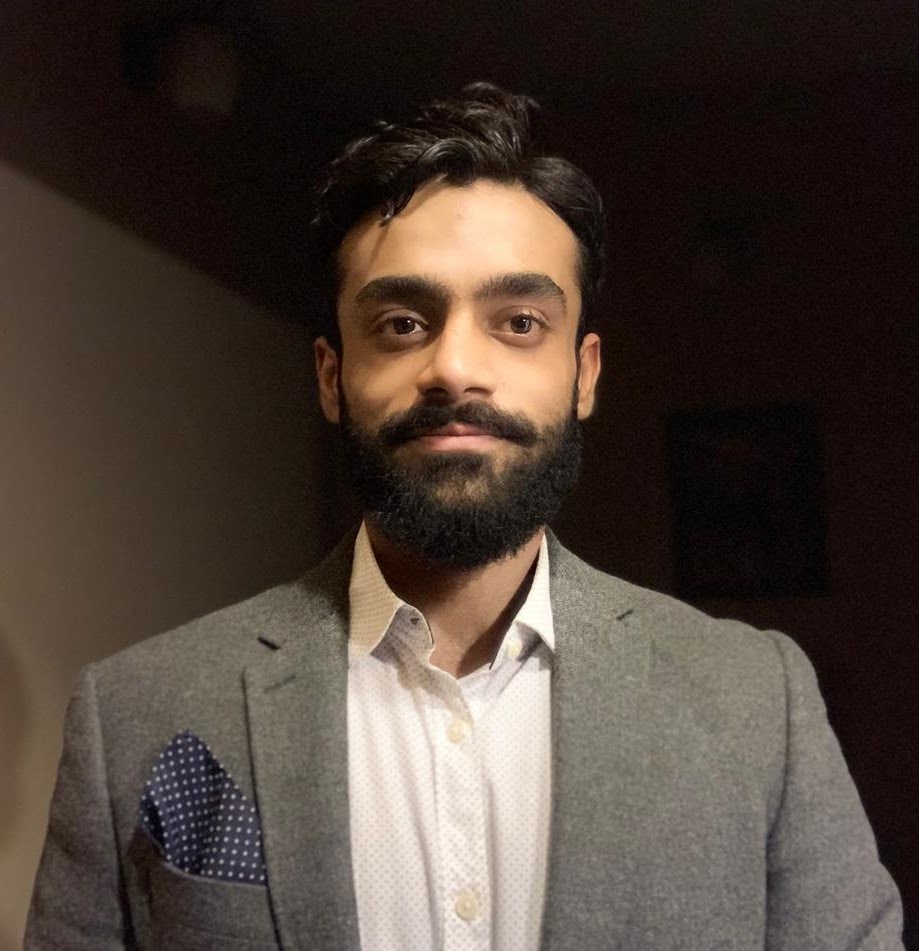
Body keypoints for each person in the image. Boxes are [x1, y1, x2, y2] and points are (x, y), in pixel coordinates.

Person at [26, 83, 903, 951]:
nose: (452, 367)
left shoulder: (755, 703)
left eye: (517, 321)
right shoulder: (134, 714)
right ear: (331, 376)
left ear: (583, 374)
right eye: (402, 323)